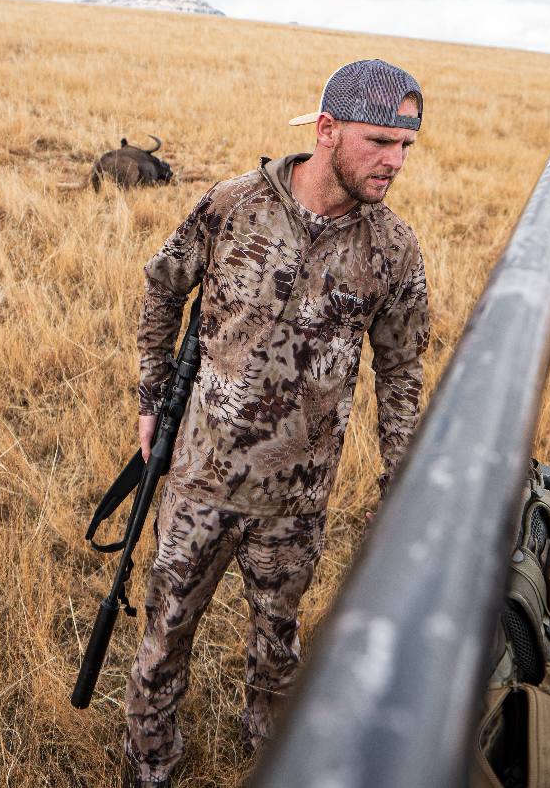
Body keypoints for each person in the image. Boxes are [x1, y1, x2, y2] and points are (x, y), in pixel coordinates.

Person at [121, 59, 431, 785]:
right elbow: (163, 286)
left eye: (407, 146)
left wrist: (401, 477)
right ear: (327, 131)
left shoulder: (392, 250)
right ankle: (149, 769)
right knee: (163, 641)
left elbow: (402, 372)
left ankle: (276, 761)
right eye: (380, 141)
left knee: (280, 653)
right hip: (200, 480)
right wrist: (151, 395)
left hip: (297, 503)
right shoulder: (232, 206)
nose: (396, 161)